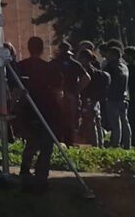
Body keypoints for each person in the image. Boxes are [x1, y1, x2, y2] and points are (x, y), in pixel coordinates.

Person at [16, 36, 62, 192]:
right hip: (47, 109)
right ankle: (41, 173)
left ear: (29, 48)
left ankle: (25, 167)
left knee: (31, 139)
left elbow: (15, 91)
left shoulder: (20, 67)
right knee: (47, 143)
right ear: (42, 49)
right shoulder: (49, 68)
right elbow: (58, 91)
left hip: (27, 108)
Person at [53, 41, 90, 145]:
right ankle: (70, 142)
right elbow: (87, 78)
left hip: (58, 96)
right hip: (72, 95)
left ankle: (60, 141)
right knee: (72, 121)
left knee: (59, 119)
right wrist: (77, 89)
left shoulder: (54, 63)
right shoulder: (75, 64)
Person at [77, 47, 110, 147]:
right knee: (97, 123)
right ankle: (100, 145)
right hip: (96, 101)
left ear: (85, 59)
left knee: (91, 124)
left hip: (88, 101)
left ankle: (95, 145)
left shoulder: (88, 72)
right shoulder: (98, 72)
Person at [102, 46, 130, 149]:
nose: (107, 57)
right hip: (123, 97)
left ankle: (115, 144)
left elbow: (104, 81)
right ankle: (127, 143)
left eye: (109, 55)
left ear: (114, 55)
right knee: (125, 122)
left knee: (115, 123)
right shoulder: (125, 67)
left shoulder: (110, 67)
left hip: (112, 98)